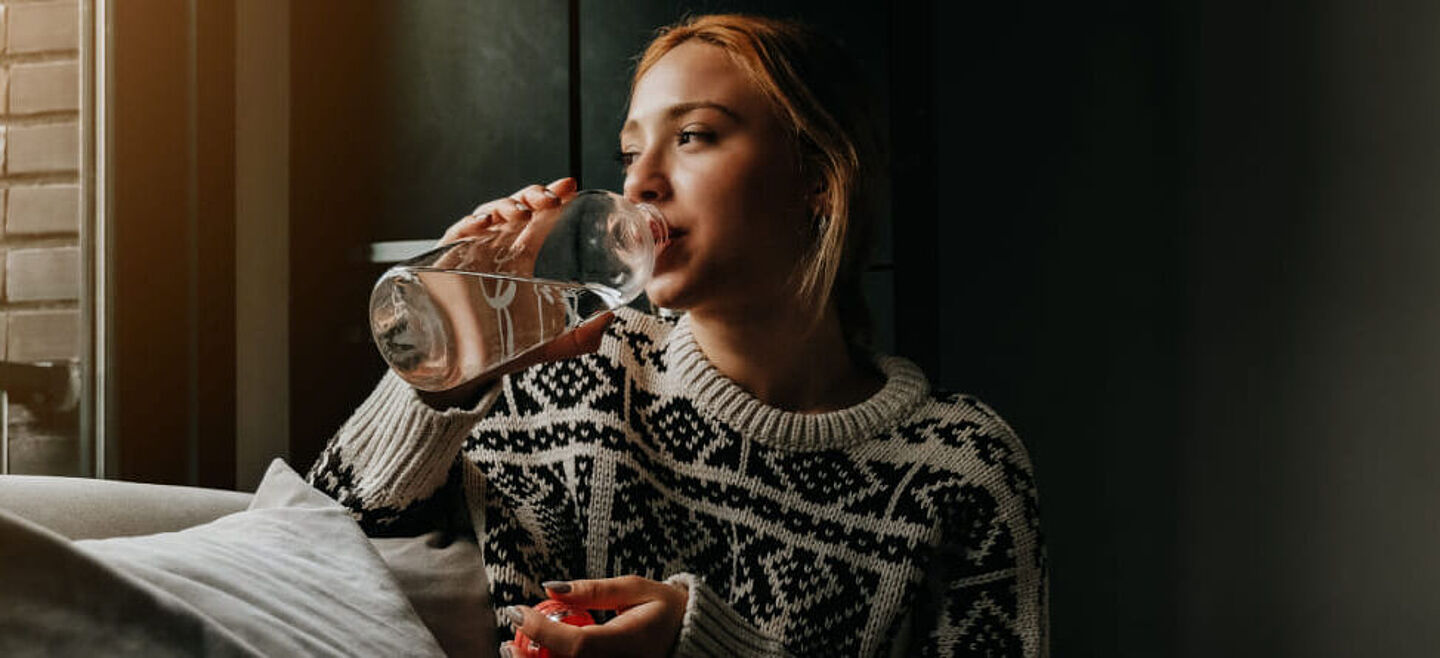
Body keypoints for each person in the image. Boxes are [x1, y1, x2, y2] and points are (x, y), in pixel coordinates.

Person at [309, 13, 1047, 658]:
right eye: (631, 153)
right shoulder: (571, 374)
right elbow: (307, 551)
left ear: (819, 177)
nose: (640, 185)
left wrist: (704, 648)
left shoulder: (962, 467)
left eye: (693, 136)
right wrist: (446, 371)